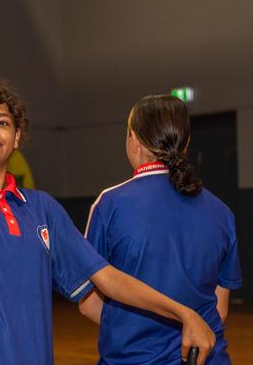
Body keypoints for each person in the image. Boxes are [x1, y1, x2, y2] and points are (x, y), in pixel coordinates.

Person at [0, 58, 215, 365]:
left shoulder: (43, 209)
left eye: (2, 123)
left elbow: (108, 279)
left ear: (17, 136)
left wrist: (181, 313)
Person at [79, 94, 243, 364]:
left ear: (133, 139)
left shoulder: (109, 204)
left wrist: (132, 330)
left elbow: (88, 304)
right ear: (187, 143)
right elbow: (220, 309)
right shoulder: (222, 212)